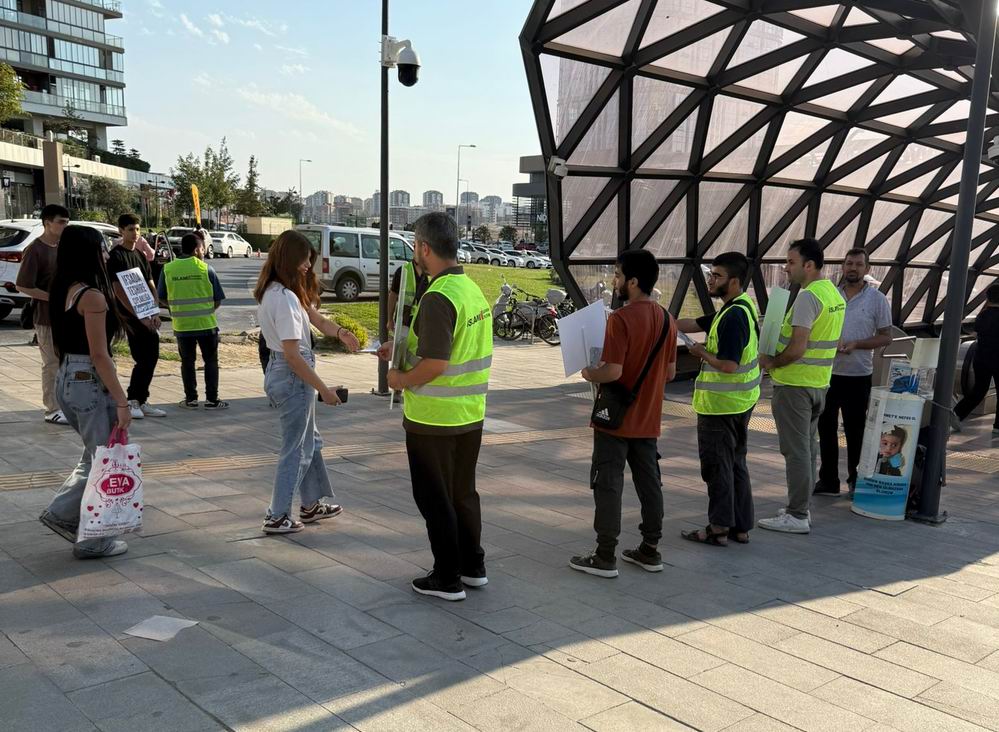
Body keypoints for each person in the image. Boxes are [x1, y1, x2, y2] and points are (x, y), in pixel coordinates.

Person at [383, 212, 492, 602]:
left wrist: (398, 380)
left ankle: (447, 577)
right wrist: (398, 349)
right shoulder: (471, 290)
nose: (415, 252)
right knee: (463, 494)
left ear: (424, 248)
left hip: (433, 419)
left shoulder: (436, 297)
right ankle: (472, 566)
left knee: (435, 498)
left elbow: (436, 364)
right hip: (469, 415)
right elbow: (444, 348)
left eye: (415, 245)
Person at [570, 249, 677, 578]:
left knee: (608, 484)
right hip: (649, 419)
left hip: (615, 420)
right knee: (650, 484)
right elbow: (670, 372)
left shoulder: (620, 319)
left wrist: (589, 373)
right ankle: (650, 549)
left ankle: (605, 555)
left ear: (633, 281)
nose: (614, 281)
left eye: (617, 275)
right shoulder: (666, 320)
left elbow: (613, 372)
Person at [254, 230, 359, 534]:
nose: (308, 266)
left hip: (284, 375)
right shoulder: (284, 299)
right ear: (289, 260)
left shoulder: (280, 292)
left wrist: (341, 333)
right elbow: (293, 355)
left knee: (309, 441)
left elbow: (318, 320)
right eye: (304, 261)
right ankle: (277, 515)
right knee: (297, 449)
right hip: (292, 378)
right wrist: (323, 389)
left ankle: (311, 504)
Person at [38, 225, 133, 559]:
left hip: (68, 377)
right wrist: (122, 401)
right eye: (101, 248)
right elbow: (99, 355)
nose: (106, 254)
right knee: (105, 462)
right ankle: (91, 539)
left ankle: (66, 516)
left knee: (94, 456)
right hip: (88, 381)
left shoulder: (64, 287)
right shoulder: (92, 297)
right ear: (88, 253)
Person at [758, 239, 846, 534]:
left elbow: (797, 348)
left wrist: (771, 362)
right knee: (807, 448)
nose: (786, 268)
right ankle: (801, 508)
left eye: (791, 262)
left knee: (795, 451)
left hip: (795, 385)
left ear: (809, 265)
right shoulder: (833, 293)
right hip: (819, 384)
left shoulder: (808, 297)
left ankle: (796, 515)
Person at [677, 252, 759, 547]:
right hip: (740, 402)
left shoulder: (733, 317)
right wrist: (665, 320)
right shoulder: (739, 307)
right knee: (736, 464)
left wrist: (701, 353)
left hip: (721, 407)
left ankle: (718, 527)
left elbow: (728, 365)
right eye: (710, 274)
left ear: (734, 281)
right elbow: (695, 323)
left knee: (717, 467)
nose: (710, 280)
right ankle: (740, 527)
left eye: (717, 276)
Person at [815, 248, 892, 496]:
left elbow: (886, 336)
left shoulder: (877, 300)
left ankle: (856, 480)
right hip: (827, 374)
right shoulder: (831, 296)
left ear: (867, 269)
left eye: (859, 264)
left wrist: (857, 344)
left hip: (858, 376)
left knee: (855, 431)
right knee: (825, 429)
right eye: (849, 263)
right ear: (843, 266)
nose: (853, 268)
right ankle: (828, 480)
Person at [158, 233, 228, 409]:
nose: (203, 252)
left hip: (182, 326)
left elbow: (161, 297)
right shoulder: (206, 269)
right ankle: (212, 400)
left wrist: (176, 309)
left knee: (187, 362)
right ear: (197, 250)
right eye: (203, 249)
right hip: (206, 325)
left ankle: (191, 399)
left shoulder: (168, 269)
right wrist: (205, 310)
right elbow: (218, 299)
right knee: (210, 361)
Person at [15, 204, 70, 425]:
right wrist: (52, 298)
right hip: (46, 317)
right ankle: (52, 408)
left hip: (67, 315)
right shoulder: (35, 249)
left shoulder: (64, 247)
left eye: (67, 222)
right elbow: (22, 285)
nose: (65, 226)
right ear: (47, 223)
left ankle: (65, 404)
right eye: (61, 222)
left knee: (66, 362)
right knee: (51, 363)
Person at [107, 213, 165, 419]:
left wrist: (154, 310)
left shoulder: (140, 255)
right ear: (121, 231)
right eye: (131, 229)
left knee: (152, 355)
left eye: (138, 229)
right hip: (129, 316)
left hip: (147, 313)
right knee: (142, 356)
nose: (135, 233)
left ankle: (141, 398)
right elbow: (118, 290)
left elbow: (150, 284)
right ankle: (132, 400)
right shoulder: (116, 256)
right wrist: (138, 315)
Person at [378, 258, 430, 401]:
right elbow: (393, 295)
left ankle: (412, 383)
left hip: (420, 321)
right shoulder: (403, 271)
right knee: (399, 354)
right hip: (405, 320)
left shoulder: (429, 272)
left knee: (416, 354)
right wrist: (390, 319)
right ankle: (397, 388)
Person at [954, 284, 999, 436]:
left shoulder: (982, 315)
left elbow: (976, 331)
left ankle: (956, 414)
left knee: (979, 390)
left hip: (981, 358)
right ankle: (998, 426)